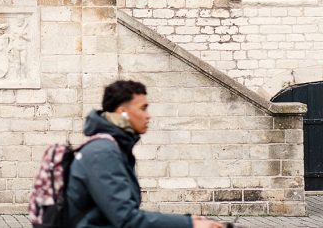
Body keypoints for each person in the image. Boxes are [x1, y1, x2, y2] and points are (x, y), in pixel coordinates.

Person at [66, 80, 228, 228]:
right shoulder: (102, 153)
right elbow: (127, 219)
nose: (148, 115)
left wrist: (189, 221)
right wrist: (189, 224)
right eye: (143, 108)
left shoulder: (113, 147)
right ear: (122, 112)